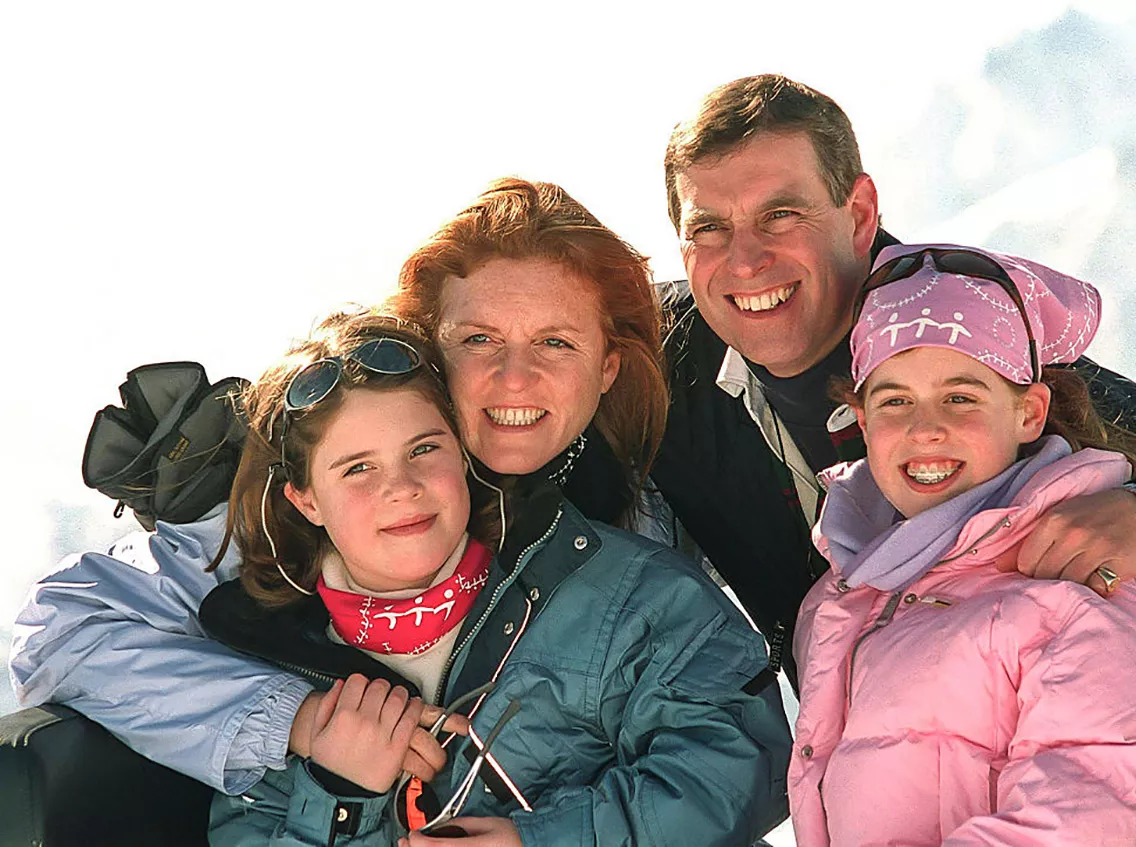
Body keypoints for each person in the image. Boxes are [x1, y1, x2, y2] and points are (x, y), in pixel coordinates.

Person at [9, 181, 790, 842]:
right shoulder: (282, 540)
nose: (514, 379)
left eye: (554, 342)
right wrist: (306, 732)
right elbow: (62, 631)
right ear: (431, 349)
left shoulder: (631, 557)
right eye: (480, 338)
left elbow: (733, 754)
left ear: (606, 363)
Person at [651, 73, 1136, 687]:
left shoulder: (964, 329)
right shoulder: (656, 368)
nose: (745, 260)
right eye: (708, 228)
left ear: (859, 214)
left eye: (780, 215)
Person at [198, 309, 788, 845]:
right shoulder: (272, 676)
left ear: (462, 450)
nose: (401, 487)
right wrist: (335, 793)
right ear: (305, 500)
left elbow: (741, 768)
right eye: (357, 469)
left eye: (424, 449)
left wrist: (546, 840)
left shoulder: (629, 592)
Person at [786, 243, 1136, 845]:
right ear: (863, 423)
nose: (926, 427)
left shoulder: (1087, 580)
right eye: (895, 400)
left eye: (961, 397)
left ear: (1029, 413)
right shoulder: (850, 591)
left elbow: (1108, 806)